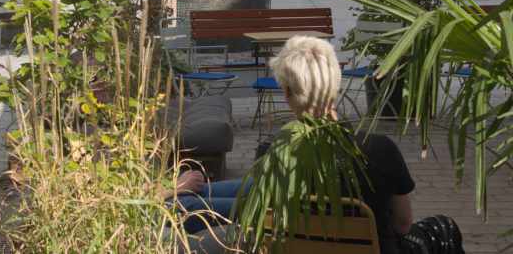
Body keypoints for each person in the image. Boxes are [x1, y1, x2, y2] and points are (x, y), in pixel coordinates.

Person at [178, 36, 463, 254]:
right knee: (444, 228)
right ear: (336, 85)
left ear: (287, 93)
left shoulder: (273, 153)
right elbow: (403, 224)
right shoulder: (380, 148)